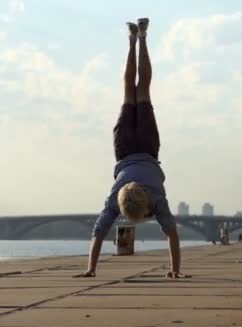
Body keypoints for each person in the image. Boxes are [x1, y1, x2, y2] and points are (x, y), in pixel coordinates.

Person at [76, 18, 187, 279]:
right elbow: (100, 234)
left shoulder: (152, 197)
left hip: (147, 147)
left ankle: (141, 37)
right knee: (131, 90)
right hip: (125, 149)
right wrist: (174, 270)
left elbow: (98, 233)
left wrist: (91, 270)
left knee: (141, 88)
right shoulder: (121, 197)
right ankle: (134, 39)